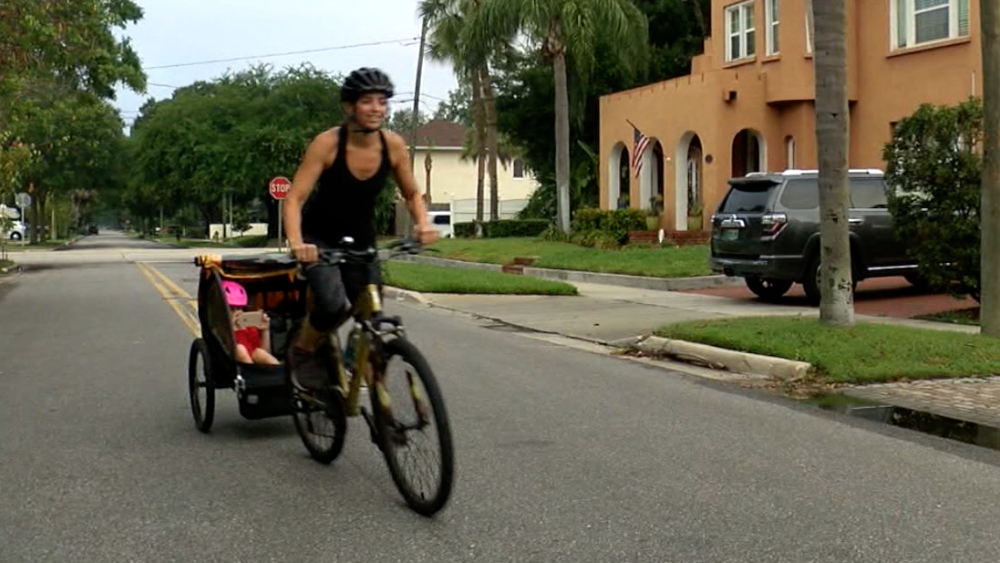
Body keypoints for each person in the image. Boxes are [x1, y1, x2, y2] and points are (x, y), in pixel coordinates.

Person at [283, 67, 439, 386]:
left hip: (361, 239)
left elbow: (411, 193)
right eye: (367, 101)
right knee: (332, 305)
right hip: (319, 237)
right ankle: (304, 349)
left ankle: (379, 411)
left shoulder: (392, 145)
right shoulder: (327, 144)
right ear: (349, 106)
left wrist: (423, 223)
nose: (376, 109)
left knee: (372, 316)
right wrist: (299, 243)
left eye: (382, 102)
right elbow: (295, 198)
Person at [222, 280, 280, 366]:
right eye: (231, 309)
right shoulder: (220, 327)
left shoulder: (249, 328)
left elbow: (265, 352)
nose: (236, 312)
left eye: (239, 308)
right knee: (240, 349)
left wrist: (265, 330)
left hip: (255, 363)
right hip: (234, 366)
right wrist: (231, 328)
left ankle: (278, 373)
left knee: (259, 352)